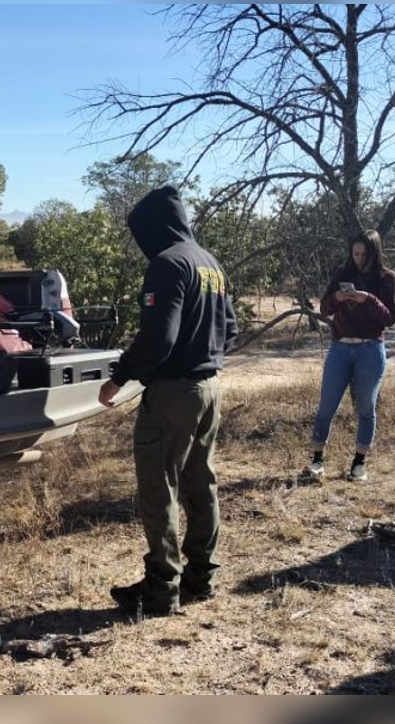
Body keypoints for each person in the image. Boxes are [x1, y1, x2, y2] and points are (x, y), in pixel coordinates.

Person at [98, 184, 238, 617]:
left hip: (175, 393)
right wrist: (205, 356)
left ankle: (162, 589)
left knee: (159, 490)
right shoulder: (208, 262)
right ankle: (202, 578)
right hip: (210, 389)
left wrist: (118, 377)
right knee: (201, 483)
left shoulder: (167, 263)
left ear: (154, 228)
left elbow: (159, 337)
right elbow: (229, 328)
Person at [303, 230, 395, 483]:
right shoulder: (343, 274)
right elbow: (324, 308)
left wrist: (368, 300)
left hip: (371, 349)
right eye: (354, 253)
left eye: (363, 255)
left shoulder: (387, 278)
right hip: (340, 348)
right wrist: (337, 296)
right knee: (327, 405)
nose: (358, 259)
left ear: (374, 253)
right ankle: (316, 460)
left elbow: (390, 318)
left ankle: (358, 464)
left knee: (366, 407)